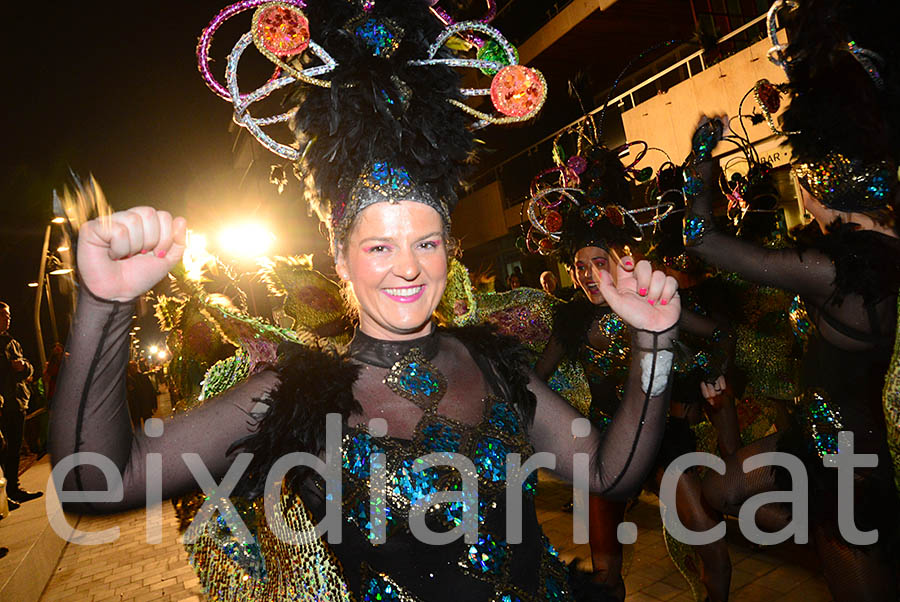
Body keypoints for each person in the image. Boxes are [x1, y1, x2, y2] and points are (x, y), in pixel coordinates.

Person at [49, 2, 682, 601]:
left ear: (448, 249)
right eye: (379, 246)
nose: (407, 266)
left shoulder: (495, 365)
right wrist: (104, 306)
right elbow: (94, 482)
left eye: (426, 242)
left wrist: (654, 345)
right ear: (342, 261)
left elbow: (609, 475)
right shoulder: (294, 393)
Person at [681, 1, 900, 598]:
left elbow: (699, 238)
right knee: (711, 489)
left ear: (826, 178)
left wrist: (701, 157)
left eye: (804, 174)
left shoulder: (833, 271)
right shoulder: (876, 257)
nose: (799, 188)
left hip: (843, 466)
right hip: (828, 441)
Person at [529, 145, 731, 602]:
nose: (586, 275)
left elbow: (720, 334)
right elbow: (532, 379)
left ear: (616, 259)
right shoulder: (570, 323)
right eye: (579, 266)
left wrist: (711, 378)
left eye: (597, 263)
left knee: (711, 548)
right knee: (604, 574)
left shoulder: (651, 303)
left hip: (664, 441)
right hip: (606, 450)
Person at [0, 302, 42, 505]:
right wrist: (9, 367)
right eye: (3, 315)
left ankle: (13, 488)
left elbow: (29, 369)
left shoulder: (12, 342)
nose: (7, 319)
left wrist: (23, 366)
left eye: (8, 315)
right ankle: (5, 493)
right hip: (3, 404)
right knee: (4, 448)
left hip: (17, 401)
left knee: (14, 447)